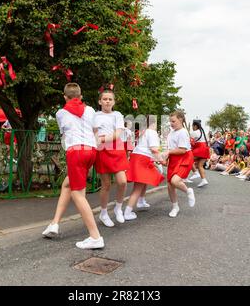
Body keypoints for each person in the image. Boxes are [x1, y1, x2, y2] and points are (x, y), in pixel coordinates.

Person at [42, 83, 103, 249]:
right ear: (80, 96)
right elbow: (96, 132)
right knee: (67, 184)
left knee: (78, 195)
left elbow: (64, 134)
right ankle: (54, 224)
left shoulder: (60, 113)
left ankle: (95, 236)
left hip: (76, 152)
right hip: (90, 151)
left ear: (65, 96)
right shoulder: (90, 110)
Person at [93, 90, 129, 227]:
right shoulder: (95, 116)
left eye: (110, 99)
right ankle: (103, 213)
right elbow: (93, 133)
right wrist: (98, 140)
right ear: (100, 101)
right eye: (105, 99)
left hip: (116, 149)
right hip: (102, 152)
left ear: (113, 102)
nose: (107, 101)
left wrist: (100, 139)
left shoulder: (117, 115)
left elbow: (117, 134)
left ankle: (118, 208)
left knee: (122, 182)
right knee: (106, 184)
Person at [123, 115, 164, 220]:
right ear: (154, 123)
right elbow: (154, 149)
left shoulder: (143, 131)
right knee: (138, 187)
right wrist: (161, 160)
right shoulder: (152, 132)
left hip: (137, 157)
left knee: (144, 181)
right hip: (142, 159)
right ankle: (127, 212)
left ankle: (141, 201)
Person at [160, 111, 196, 218]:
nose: (171, 123)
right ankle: (175, 207)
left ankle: (188, 191)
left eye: (173, 121)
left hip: (184, 158)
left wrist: (168, 153)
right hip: (174, 159)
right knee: (170, 186)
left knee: (175, 181)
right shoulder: (171, 133)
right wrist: (166, 158)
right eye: (170, 121)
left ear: (180, 120)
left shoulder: (183, 132)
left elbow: (182, 150)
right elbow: (170, 149)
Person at [190, 119, 210, 187]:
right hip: (205, 149)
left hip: (199, 149)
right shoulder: (203, 132)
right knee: (200, 166)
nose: (192, 127)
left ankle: (194, 173)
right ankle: (204, 180)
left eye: (192, 126)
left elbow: (190, 143)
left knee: (188, 160)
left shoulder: (194, 133)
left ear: (195, 126)